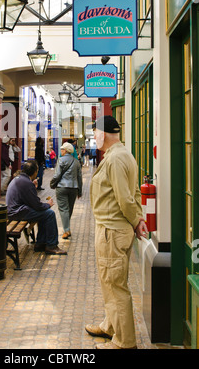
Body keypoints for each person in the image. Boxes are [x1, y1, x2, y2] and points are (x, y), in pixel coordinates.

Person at [85, 115, 148, 349]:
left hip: (112, 229)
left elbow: (124, 197)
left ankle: (124, 341)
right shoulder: (122, 155)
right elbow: (134, 193)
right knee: (109, 281)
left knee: (115, 285)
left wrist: (135, 219)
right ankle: (110, 325)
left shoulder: (115, 159)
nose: (94, 138)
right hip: (113, 227)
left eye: (94, 133)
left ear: (103, 133)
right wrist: (137, 218)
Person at [6, 160, 67, 255]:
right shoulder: (26, 183)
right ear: (35, 172)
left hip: (15, 211)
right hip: (18, 213)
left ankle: (41, 243)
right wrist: (48, 204)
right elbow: (37, 205)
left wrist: (33, 188)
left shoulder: (20, 179)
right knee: (49, 214)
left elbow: (32, 201)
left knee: (44, 213)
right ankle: (52, 245)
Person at [51, 142, 82, 239]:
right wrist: (80, 191)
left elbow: (56, 175)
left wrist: (52, 184)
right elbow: (79, 177)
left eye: (62, 149)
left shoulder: (60, 160)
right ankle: (67, 228)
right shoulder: (76, 162)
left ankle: (66, 230)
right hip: (73, 188)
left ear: (66, 150)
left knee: (63, 209)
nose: (61, 151)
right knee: (69, 208)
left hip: (62, 187)